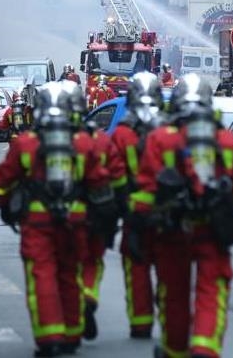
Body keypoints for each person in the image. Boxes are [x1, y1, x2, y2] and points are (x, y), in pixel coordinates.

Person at [131, 74, 233, 358]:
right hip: (213, 232)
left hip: (172, 231)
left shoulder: (160, 139)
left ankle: (175, 350)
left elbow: (147, 190)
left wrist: (140, 228)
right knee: (211, 289)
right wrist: (231, 222)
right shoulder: (226, 140)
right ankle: (205, 348)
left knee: (173, 293)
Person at [0, 82, 110, 357]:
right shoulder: (82, 143)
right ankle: (72, 334)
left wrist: (5, 204)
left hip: (38, 223)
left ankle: (50, 337)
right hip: (76, 221)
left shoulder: (25, 143)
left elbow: (2, 181)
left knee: (42, 276)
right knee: (70, 274)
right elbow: (98, 183)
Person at [111, 72, 165, 339]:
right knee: (170, 270)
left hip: (135, 214)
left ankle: (141, 323)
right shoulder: (172, 131)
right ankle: (171, 321)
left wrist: (119, 212)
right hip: (169, 214)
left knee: (137, 268)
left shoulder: (121, 134)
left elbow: (114, 177)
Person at [80, 115, 127, 341]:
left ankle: (65, 322)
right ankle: (88, 294)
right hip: (98, 211)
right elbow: (117, 176)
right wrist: (118, 208)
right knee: (93, 260)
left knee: (65, 263)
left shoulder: (39, 140)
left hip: (59, 216)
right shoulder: (100, 140)